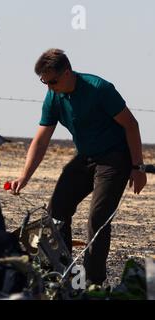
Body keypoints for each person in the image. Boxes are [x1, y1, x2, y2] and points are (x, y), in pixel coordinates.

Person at [10, 48, 147, 285]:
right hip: (85, 157)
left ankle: (93, 282)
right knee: (56, 211)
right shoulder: (53, 96)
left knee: (98, 216)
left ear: (67, 73)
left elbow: (131, 125)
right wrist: (24, 177)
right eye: (44, 82)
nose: (49, 87)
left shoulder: (99, 89)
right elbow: (41, 140)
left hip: (115, 158)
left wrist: (138, 167)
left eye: (52, 81)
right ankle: (61, 273)